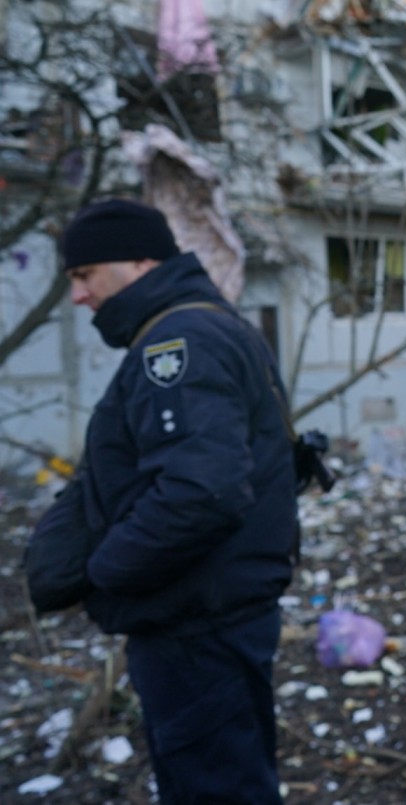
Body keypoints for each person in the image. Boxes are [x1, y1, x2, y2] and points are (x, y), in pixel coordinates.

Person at [33, 199, 297, 803]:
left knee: (214, 789)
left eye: (83, 275)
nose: (77, 296)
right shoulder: (202, 325)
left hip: (195, 623)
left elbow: (201, 491)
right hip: (210, 613)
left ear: (140, 262)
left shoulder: (178, 341)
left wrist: (104, 573)